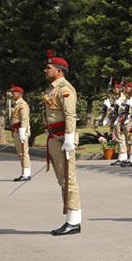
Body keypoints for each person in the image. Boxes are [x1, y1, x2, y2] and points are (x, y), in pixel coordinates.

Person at [42, 51, 82, 235]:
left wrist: (69, 138)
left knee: (68, 179)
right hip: (55, 138)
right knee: (62, 179)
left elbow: (70, 115)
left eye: (49, 68)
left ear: (59, 71)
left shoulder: (65, 89)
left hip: (63, 139)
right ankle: (71, 219)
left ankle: (74, 222)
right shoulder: (53, 88)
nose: (45, 70)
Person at [9, 84, 32, 182]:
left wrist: (23, 132)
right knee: (20, 153)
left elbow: (24, 119)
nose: (12, 94)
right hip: (17, 131)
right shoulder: (17, 104)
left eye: (13, 92)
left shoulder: (22, 105)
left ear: (19, 94)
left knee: (24, 153)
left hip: (21, 131)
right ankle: (25, 173)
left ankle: (26, 174)